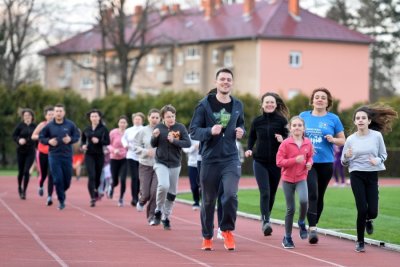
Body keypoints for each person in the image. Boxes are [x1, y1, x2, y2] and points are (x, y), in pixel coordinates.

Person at [190, 68, 245, 251]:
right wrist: (209, 131)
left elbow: (241, 123)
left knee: (230, 195)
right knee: (207, 201)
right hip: (209, 159)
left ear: (232, 83)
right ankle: (207, 236)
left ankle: (227, 230)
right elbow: (194, 130)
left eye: (229, 79)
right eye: (222, 79)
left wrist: (241, 131)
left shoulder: (238, 105)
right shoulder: (203, 105)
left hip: (230, 158)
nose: (225, 82)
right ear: (216, 82)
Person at [341, 105, 397, 253]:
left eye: (363, 118)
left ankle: (369, 219)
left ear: (369, 121)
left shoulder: (376, 136)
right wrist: (346, 156)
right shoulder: (351, 139)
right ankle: (360, 241)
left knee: (372, 212)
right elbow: (343, 161)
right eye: (357, 118)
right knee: (362, 209)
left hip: (372, 175)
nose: (360, 120)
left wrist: (377, 161)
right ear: (354, 122)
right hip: (356, 174)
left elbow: (384, 155)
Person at [299, 87, 345, 244]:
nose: (319, 99)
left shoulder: (333, 119)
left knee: (320, 195)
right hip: (308, 163)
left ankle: (313, 223)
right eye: (317, 97)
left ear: (327, 102)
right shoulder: (303, 116)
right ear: (312, 100)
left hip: (326, 163)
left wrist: (333, 139)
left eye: (323, 98)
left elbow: (343, 140)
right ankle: (312, 229)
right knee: (312, 193)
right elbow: (294, 134)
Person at [244, 92, 289, 236]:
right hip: (260, 161)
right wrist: (249, 149)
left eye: (272, 102)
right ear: (262, 105)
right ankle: (266, 221)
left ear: (276, 105)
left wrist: (283, 139)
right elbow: (251, 137)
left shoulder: (282, 121)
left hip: (276, 163)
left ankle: (266, 217)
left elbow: (290, 139)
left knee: (273, 193)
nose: (269, 104)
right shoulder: (257, 121)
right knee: (265, 192)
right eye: (267, 102)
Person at [151, 104, 191, 230]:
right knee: (163, 185)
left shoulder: (180, 127)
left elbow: (187, 143)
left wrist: (174, 141)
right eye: (168, 117)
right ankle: (158, 210)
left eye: (173, 116)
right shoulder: (159, 127)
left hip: (175, 164)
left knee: (172, 192)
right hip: (160, 162)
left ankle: (166, 217)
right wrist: (154, 136)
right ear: (163, 117)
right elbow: (153, 144)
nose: (171, 119)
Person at [276, 116, 313, 249]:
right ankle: (287, 237)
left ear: (304, 128)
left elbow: (310, 157)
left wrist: (309, 163)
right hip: (287, 180)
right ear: (290, 128)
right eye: (294, 125)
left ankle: (302, 222)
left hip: (301, 177)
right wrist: (294, 160)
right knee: (290, 208)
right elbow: (279, 162)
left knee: (304, 201)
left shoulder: (308, 143)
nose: (297, 128)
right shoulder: (285, 144)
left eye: (299, 125)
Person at [39, 104, 80, 210]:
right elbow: (41, 137)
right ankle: (61, 201)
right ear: (54, 113)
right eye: (56, 111)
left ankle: (61, 191)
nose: (58, 113)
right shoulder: (49, 126)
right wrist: (48, 141)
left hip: (67, 156)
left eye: (60, 111)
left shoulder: (70, 124)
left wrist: (70, 139)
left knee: (67, 181)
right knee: (57, 179)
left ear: (64, 112)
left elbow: (77, 136)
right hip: (54, 156)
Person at [133, 109, 161, 224]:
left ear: (160, 119)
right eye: (152, 117)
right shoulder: (142, 131)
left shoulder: (163, 130)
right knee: (146, 193)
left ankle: (151, 217)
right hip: (145, 165)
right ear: (148, 118)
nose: (154, 120)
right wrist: (145, 151)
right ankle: (141, 200)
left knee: (154, 193)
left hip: (159, 166)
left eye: (157, 118)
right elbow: (135, 146)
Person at [81, 109, 110, 207]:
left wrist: (99, 141)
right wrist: (83, 146)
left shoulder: (103, 129)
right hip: (89, 154)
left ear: (99, 117)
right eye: (92, 116)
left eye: (96, 116)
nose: (94, 118)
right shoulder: (86, 129)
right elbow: (83, 140)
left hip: (99, 155)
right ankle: (92, 197)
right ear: (90, 118)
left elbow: (107, 142)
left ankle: (96, 189)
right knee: (91, 176)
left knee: (97, 177)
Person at [31, 106, 55, 205]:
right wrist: (43, 137)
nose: (51, 116)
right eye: (49, 114)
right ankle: (41, 186)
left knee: (51, 175)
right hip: (42, 153)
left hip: (54, 154)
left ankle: (49, 196)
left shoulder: (59, 126)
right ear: (46, 116)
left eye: (53, 114)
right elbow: (33, 136)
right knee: (43, 175)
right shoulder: (42, 125)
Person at [12, 108, 37, 200]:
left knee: (26, 171)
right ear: (23, 117)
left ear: (32, 117)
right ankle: (19, 186)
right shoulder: (20, 126)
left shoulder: (35, 126)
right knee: (21, 172)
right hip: (21, 151)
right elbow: (14, 136)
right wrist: (19, 140)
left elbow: (39, 136)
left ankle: (24, 191)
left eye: (29, 115)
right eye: (25, 116)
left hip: (30, 151)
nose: (27, 117)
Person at [122, 112, 144, 206]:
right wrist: (126, 145)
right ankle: (134, 198)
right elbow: (123, 139)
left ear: (142, 120)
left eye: (139, 119)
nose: (137, 120)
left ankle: (140, 195)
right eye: (136, 119)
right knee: (134, 177)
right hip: (131, 155)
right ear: (133, 120)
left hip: (142, 157)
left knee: (140, 178)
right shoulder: (129, 130)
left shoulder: (145, 130)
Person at [107, 115, 128, 207]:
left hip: (125, 158)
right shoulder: (113, 132)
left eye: (124, 122)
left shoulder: (128, 133)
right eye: (121, 122)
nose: (122, 124)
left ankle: (121, 198)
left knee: (123, 179)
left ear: (127, 124)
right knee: (115, 180)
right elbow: (108, 144)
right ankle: (111, 187)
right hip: (114, 158)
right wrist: (114, 150)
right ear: (118, 123)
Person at [182, 135, 201, 210]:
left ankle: (204, 202)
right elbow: (185, 149)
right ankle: (196, 201)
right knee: (194, 186)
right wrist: (194, 147)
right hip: (192, 164)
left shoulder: (205, 134)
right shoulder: (189, 137)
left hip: (204, 164)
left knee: (204, 185)